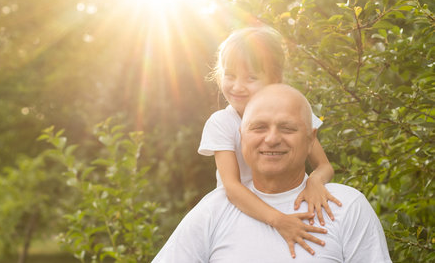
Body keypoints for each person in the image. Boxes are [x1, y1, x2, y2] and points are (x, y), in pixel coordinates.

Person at [152, 84, 392, 262]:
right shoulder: (214, 210)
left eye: (287, 128)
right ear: (242, 137)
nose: (272, 139)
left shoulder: (346, 207)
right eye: (259, 127)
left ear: (310, 140)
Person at [198, 26, 341, 256]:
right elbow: (232, 188)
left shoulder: (293, 111)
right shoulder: (222, 123)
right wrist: (280, 221)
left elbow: (324, 166)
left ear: (275, 79)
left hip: (287, 201)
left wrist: (315, 181)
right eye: (230, 75)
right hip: (242, 212)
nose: (237, 86)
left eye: (251, 77)